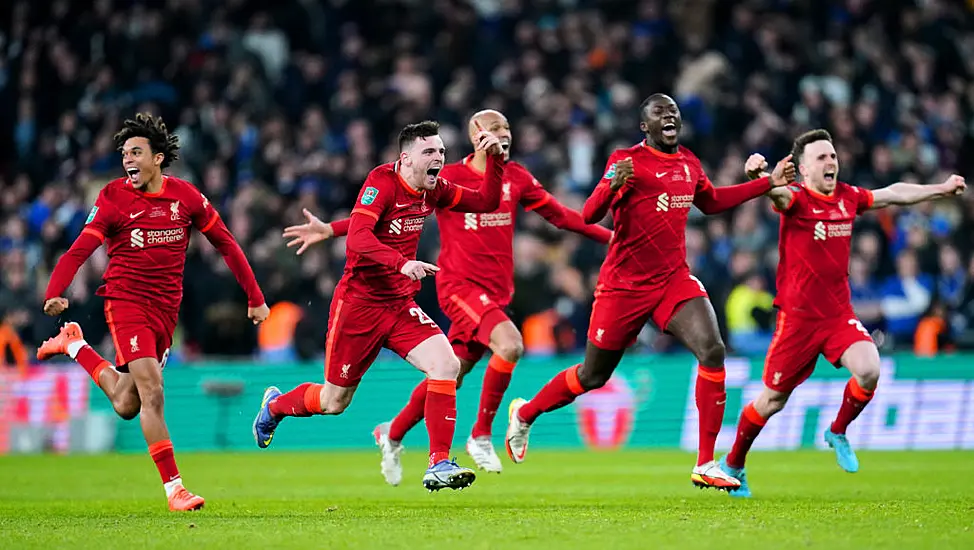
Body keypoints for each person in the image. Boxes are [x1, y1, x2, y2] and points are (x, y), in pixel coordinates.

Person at [283, 110, 612, 482]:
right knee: (509, 345)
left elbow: (547, 214)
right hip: (446, 288)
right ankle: (482, 434)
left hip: (464, 294)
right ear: (475, 135)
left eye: (507, 127)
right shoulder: (426, 176)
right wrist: (341, 233)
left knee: (449, 370)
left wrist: (613, 239)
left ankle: (404, 440)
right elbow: (368, 223)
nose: (502, 133)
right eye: (494, 128)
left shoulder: (503, 177)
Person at [503, 93, 796, 490]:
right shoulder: (626, 162)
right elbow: (589, 215)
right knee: (593, 375)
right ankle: (525, 414)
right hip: (623, 286)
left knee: (712, 349)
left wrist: (766, 185)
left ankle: (706, 462)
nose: (669, 116)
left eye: (673, 111)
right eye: (660, 113)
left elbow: (709, 203)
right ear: (645, 127)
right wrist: (610, 184)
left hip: (672, 279)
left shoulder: (689, 162)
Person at [252, 120, 506, 492]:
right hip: (358, 306)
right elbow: (358, 238)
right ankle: (274, 406)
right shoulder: (382, 181)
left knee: (446, 364)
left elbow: (486, 201)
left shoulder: (431, 190)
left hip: (399, 304)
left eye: (441, 152)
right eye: (429, 152)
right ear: (405, 159)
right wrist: (401, 263)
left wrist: (495, 161)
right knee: (333, 401)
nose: (439, 158)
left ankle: (438, 463)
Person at [37, 113, 270, 511]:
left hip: (166, 311)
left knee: (128, 404)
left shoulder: (187, 198)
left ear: (158, 158)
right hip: (126, 302)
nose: (128, 159)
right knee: (153, 393)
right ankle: (175, 490)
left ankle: (74, 346)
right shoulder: (113, 198)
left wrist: (255, 297)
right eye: (124, 153)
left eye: (136, 151)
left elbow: (227, 245)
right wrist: (55, 290)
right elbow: (80, 247)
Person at [717, 128, 966, 497]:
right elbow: (776, 192)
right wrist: (758, 175)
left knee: (869, 369)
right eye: (821, 157)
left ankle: (837, 431)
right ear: (803, 169)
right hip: (798, 321)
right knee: (772, 401)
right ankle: (733, 464)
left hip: (836, 316)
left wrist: (940, 189)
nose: (831, 161)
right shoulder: (796, 199)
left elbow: (894, 193)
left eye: (832, 155)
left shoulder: (848, 197)